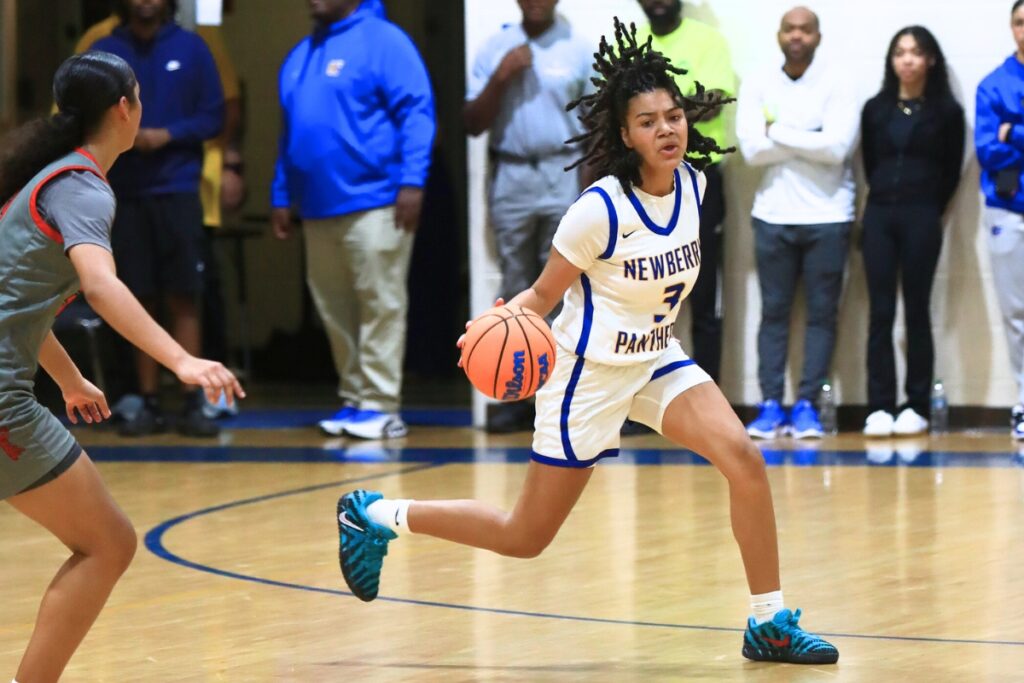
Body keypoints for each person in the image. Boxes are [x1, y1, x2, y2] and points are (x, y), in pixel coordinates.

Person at [333, 20, 838, 665]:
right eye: (649, 121)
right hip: (586, 376)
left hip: (655, 358)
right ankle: (376, 516)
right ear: (624, 135)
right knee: (525, 537)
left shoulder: (694, 185)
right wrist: (497, 327)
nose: (667, 130)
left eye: (674, 116)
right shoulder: (598, 211)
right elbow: (540, 299)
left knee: (744, 458)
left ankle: (769, 622)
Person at [0, 51, 243, 683]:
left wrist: (68, 377)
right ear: (125, 108)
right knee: (107, 544)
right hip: (2, 405)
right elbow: (102, 287)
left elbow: (15, 303)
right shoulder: (81, 186)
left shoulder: (45, 179)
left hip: (14, 388)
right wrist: (182, 359)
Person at [72, 0, 247, 420]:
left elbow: (214, 116)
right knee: (137, 292)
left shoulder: (193, 46)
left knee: (184, 293)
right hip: (123, 190)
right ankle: (144, 399)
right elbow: (81, 114)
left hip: (178, 187)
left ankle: (194, 397)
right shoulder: (105, 49)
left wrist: (167, 135)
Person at [272, 0, 435, 440]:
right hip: (317, 206)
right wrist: (281, 194)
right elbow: (290, 133)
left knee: (380, 303)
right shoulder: (301, 54)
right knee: (334, 307)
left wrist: (413, 182)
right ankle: (355, 399)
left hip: (377, 200)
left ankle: (382, 405)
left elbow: (417, 112)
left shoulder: (385, 41)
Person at [464, 0, 594, 433]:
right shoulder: (496, 47)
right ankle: (513, 395)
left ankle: (553, 396)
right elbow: (472, 121)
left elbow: (597, 126)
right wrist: (501, 78)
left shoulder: (576, 48)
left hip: (563, 172)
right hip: (512, 174)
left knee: (562, 286)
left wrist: (588, 190)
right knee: (515, 284)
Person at [735, 7, 859, 440]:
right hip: (773, 215)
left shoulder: (839, 81)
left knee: (823, 316)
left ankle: (807, 404)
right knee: (774, 313)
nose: (797, 36)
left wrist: (779, 131)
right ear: (779, 35)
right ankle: (770, 405)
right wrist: (811, 135)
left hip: (828, 216)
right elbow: (751, 150)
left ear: (818, 36)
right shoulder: (758, 80)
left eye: (806, 29)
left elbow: (838, 149)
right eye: (790, 28)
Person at [860, 27, 964, 437]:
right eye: (900, 52)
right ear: (891, 60)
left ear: (930, 60)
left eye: (916, 53)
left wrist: (928, 208)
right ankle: (880, 405)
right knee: (880, 312)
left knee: (917, 310)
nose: (907, 60)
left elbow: (951, 172)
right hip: (880, 216)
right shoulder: (875, 109)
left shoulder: (947, 112)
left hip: (923, 215)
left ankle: (916, 404)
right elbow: (871, 164)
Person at [636, 0, 735, 384]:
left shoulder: (708, 40)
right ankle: (641, 399)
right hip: (643, 184)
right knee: (642, 297)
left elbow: (711, 104)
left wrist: (649, 115)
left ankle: (707, 407)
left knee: (705, 296)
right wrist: (676, 110)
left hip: (700, 181)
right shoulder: (632, 45)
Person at [977, 0, 1024, 441]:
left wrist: (1017, 129)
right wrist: (1004, 132)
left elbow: (1007, 137)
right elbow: (989, 149)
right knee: (1016, 311)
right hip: (1009, 209)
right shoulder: (994, 85)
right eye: (1020, 22)